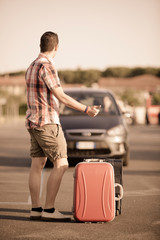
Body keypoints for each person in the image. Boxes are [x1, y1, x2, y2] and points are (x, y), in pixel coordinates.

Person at [25, 31, 101, 221]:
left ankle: (36, 209)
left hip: (34, 123)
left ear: (40, 45)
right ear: (56, 47)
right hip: (48, 123)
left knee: (37, 165)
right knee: (62, 163)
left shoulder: (31, 66)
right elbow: (62, 96)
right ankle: (49, 210)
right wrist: (87, 109)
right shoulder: (47, 66)